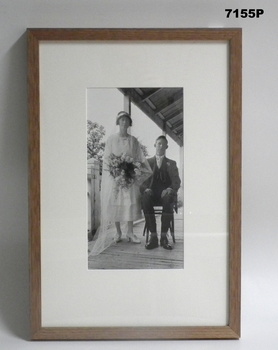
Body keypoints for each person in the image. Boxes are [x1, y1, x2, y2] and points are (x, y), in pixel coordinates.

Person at [89, 111, 152, 256]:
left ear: (130, 123)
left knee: (129, 202)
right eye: (122, 120)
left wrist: (133, 169)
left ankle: (130, 232)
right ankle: (118, 233)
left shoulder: (133, 141)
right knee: (116, 203)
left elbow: (139, 158)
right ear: (118, 123)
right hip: (115, 177)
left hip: (129, 177)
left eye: (127, 120)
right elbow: (106, 158)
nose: (124, 123)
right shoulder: (111, 139)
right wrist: (115, 170)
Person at [140, 135, 181, 250]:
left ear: (167, 147)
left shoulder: (171, 163)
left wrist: (169, 189)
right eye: (159, 143)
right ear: (155, 145)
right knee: (145, 198)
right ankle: (153, 237)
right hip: (152, 194)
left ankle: (163, 237)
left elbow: (176, 181)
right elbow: (141, 181)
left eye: (163, 144)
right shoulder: (147, 162)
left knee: (168, 198)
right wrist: (145, 189)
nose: (161, 146)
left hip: (165, 195)